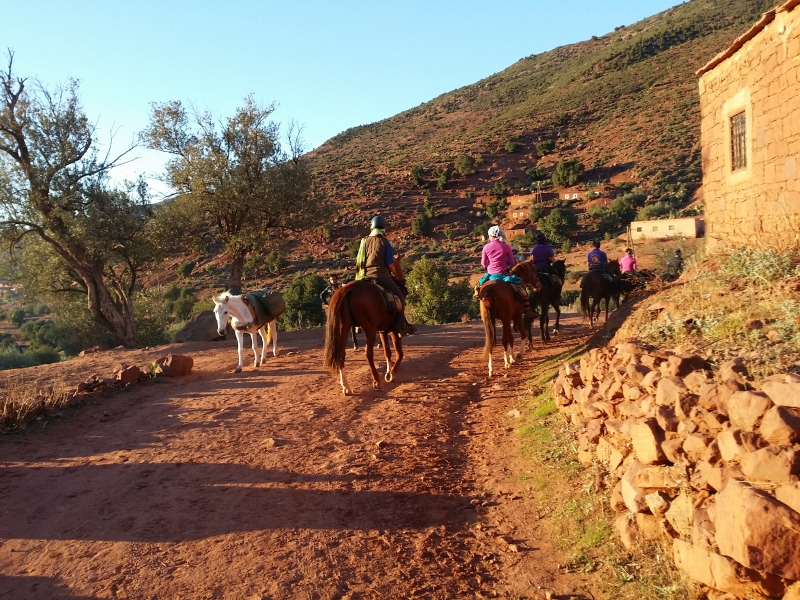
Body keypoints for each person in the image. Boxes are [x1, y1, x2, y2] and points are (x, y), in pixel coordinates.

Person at [355, 215, 410, 332]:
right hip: (381, 276)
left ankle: (358, 323)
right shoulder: (384, 242)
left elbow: (359, 259)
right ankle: (400, 326)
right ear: (383, 228)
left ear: (372, 227)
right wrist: (393, 271)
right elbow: (390, 263)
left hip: (364, 276)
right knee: (400, 297)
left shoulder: (364, 241)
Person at [481, 225, 536, 318]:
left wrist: (491, 263)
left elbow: (483, 263)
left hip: (490, 275)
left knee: (479, 288)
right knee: (522, 290)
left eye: (489, 236)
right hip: (504, 273)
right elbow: (511, 261)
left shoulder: (486, 247)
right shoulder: (506, 246)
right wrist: (503, 261)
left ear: (491, 236)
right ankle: (527, 311)